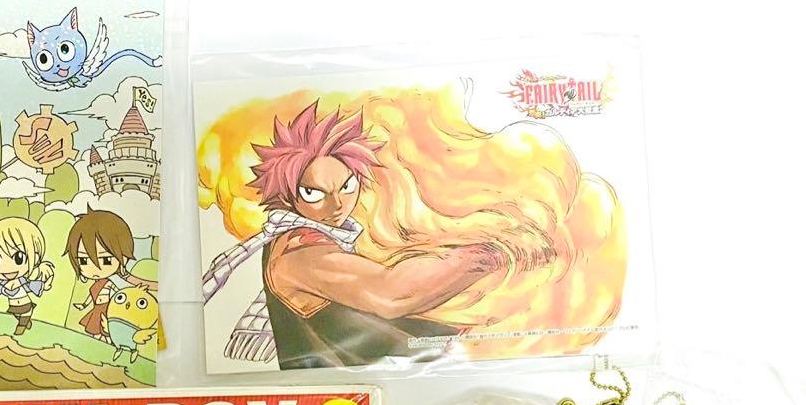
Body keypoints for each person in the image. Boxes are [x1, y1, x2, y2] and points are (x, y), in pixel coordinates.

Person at [203, 101, 509, 369]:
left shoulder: (328, 237)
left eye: (346, 186)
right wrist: (487, 256)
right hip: (349, 393)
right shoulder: (297, 251)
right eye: (313, 193)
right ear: (287, 195)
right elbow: (390, 293)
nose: (337, 205)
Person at [65, 208, 135, 340]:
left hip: (107, 311)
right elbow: (91, 297)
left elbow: (118, 296)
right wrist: (83, 305)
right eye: (84, 260)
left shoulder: (111, 284)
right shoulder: (96, 284)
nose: (94, 268)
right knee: (94, 333)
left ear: (124, 257)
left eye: (106, 260)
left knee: (106, 334)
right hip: (96, 310)